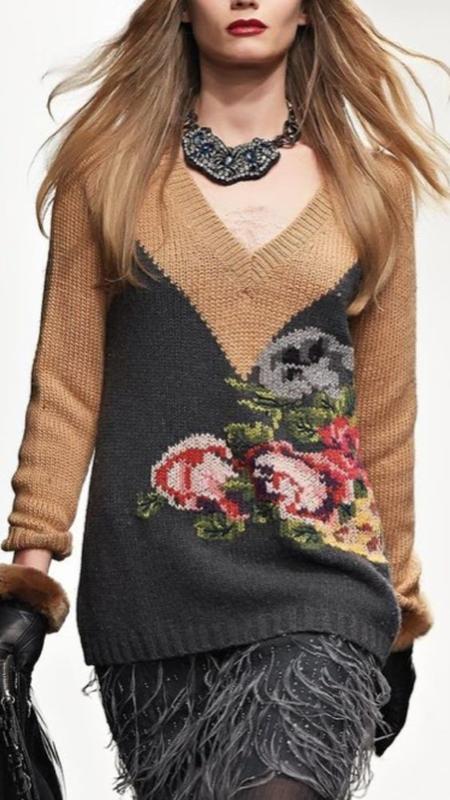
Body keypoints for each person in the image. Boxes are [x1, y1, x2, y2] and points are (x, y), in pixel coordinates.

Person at [0, 1, 448, 798]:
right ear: (179, 9)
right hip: (150, 591)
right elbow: (67, 385)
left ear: (308, 12)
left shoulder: (370, 186)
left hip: (321, 583)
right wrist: (27, 582)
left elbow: (384, 418)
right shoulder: (105, 175)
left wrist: (401, 616)